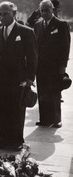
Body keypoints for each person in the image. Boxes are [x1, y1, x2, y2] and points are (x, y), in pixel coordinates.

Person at [0, 1, 38, 151]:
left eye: (6, 14)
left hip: (18, 81)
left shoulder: (26, 32)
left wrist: (29, 79)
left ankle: (16, 140)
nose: (2, 17)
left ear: (14, 14)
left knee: (16, 112)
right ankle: (2, 139)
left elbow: (33, 57)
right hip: (0, 81)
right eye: (0, 14)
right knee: (1, 111)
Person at [34, 0, 71, 128]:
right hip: (40, 66)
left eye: (47, 10)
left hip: (55, 67)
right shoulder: (38, 24)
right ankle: (44, 119)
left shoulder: (61, 24)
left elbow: (65, 47)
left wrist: (62, 67)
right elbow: (35, 46)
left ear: (52, 10)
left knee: (54, 93)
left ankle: (56, 119)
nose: (44, 13)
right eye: (42, 10)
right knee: (42, 93)